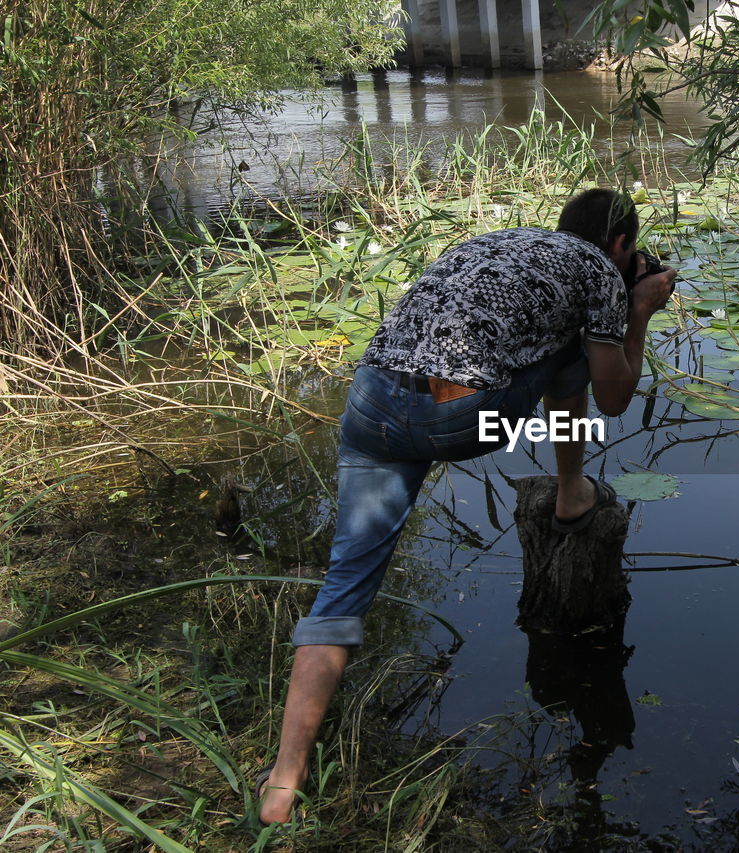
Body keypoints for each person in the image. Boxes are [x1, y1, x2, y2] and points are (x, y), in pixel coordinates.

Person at [256, 188, 676, 824]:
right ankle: (570, 495)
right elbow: (614, 397)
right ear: (620, 245)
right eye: (630, 253)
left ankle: (284, 782)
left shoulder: (498, 243)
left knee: (343, 589)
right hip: (458, 418)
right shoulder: (597, 271)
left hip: (373, 400)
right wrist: (636, 307)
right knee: (575, 355)